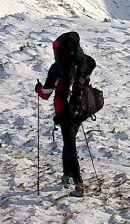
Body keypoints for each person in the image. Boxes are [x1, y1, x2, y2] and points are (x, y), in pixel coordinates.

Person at [35, 31, 96, 198]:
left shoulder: (58, 67)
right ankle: (66, 175)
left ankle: (78, 183)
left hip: (64, 110)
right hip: (80, 109)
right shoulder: (84, 62)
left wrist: (37, 89)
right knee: (69, 141)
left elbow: (45, 93)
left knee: (70, 145)